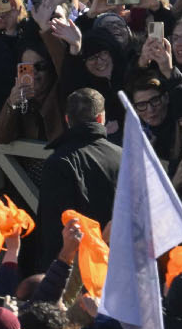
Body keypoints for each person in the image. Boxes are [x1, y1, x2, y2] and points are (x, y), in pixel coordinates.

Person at [37, 88, 122, 232]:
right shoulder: (123, 157)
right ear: (101, 119)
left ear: (67, 119)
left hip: (77, 251)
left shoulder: (57, 163)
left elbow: (50, 224)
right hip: (119, 250)